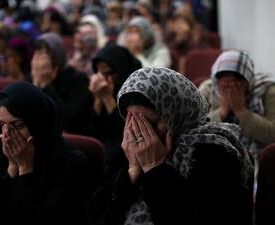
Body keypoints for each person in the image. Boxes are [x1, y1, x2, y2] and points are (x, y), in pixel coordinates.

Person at [87, 66, 254, 225]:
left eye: (150, 122)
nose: (141, 133)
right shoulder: (127, 149)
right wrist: (130, 173)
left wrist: (155, 170)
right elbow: (99, 218)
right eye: (133, 121)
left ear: (176, 114)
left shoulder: (214, 153)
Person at [0, 81, 92, 224]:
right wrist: (12, 169)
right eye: (2, 124)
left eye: (17, 125)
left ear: (37, 123)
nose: (7, 135)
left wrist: (25, 169)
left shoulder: (72, 162)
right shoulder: (3, 147)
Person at [198, 50, 275, 169]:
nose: (229, 91)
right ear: (216, 81)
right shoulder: (208, 90)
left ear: (247, 81)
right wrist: (221, 113)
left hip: (258, 159)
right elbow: (196, 131)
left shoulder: (267, 91)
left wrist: (241, 112)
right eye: (224, 86)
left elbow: (272, 135)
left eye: (235, 86)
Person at [89, 43, 142, 167]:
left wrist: (108, 99)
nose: (106, 80)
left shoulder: (137, 89)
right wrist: (97, 100)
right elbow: (95, 134)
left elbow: (126, 134)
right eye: (101, 74)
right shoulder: (102, 88)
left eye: (110, 73)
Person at [30, 32, 93, 135]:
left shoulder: (77, 80)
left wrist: (46, 85)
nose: (37, 58)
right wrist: (36, 86)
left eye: (43, 53)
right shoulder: (30, 77)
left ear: (56, 57)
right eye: (36, 53)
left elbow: (66, 121)